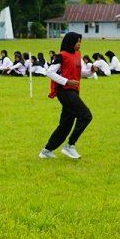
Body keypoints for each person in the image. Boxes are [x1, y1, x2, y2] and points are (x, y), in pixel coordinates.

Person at [41, 31, 92, 160]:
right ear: (70, 42)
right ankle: (70, 146)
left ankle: (47, 151)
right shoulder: (62, 56)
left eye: (80, 41)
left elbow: (79, 73)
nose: (79, 44)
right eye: (77, 41)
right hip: (64, 91)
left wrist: (90, 72)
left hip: (73, 91)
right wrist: (66, 81)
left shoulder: (77, 55)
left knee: (66, 123)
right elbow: (49, 72)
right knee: (85, 115)